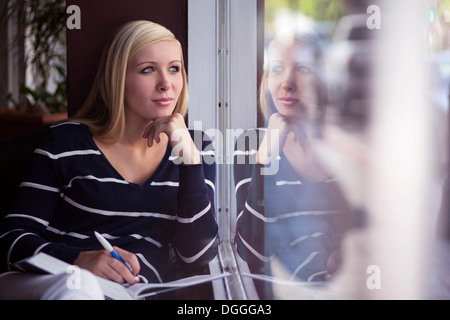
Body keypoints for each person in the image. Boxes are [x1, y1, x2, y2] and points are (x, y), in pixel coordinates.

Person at [0, 20, 218, 299]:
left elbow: (197, 256)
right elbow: (11, 239)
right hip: (56, 282)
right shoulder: (66, 142)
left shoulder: (196, 148)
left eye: (174, 68)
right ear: (118, 78)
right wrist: (79, 259)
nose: (166, 84)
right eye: (148, 70)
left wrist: (190, 163)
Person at [234, 33, 348, 299]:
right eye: (277, 69)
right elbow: (250, 254)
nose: (287, 83)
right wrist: (264, 163)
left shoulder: (339, 147)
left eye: (303, 69)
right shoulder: (250, 146)